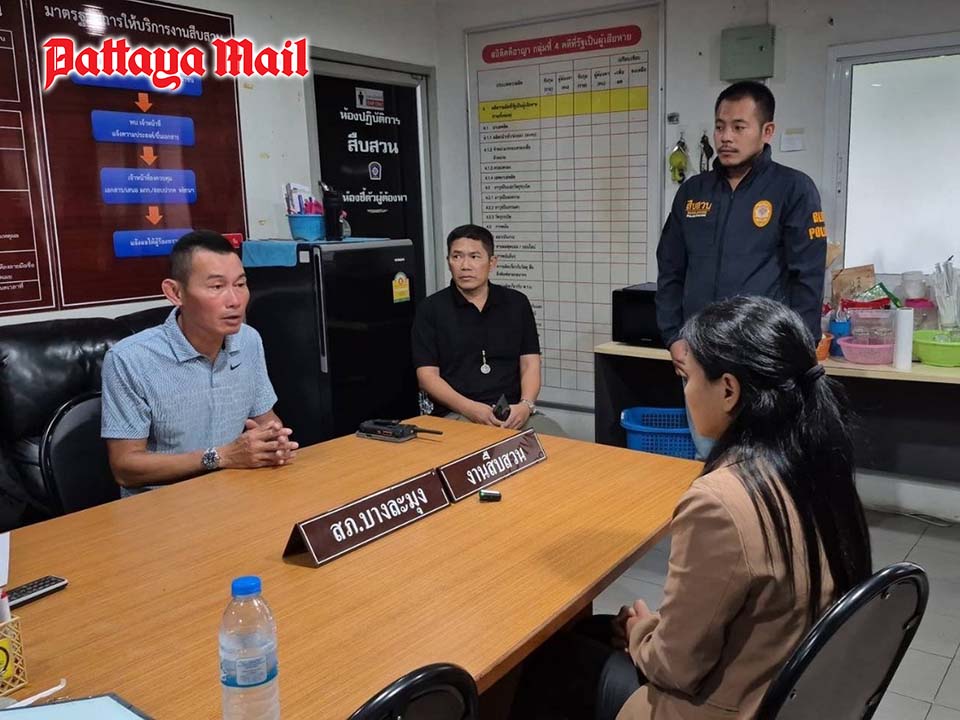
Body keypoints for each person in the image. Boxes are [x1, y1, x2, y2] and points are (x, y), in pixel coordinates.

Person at [510, 296, 872, 720]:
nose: (684, 392)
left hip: (727, 707)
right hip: (790, 687)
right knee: (589, 631)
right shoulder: (817, 463)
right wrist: (651, 631)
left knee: (548, 663)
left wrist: (641, 631)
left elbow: (675, 669)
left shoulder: (720, 501)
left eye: (687, 378)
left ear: (728, 390)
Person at [656, 81, 827, 458]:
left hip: (763, 358)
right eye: (720, 126)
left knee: (768, 461)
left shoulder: (793, 189)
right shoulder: (693, 193)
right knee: (709, 456)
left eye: (738, 126)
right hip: (702, 355)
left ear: (767, 131)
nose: (726, 137)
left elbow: (808, 277)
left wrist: (800, 352)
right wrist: (673, 337)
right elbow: (670, 271)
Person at [101, 230, 297, 496]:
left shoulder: (248, 340)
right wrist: (221, 456)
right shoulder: (130, 359)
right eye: (217, 287)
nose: (234, 301)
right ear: (175, 293)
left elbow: (266, 419)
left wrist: (274, 442)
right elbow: (125, 467)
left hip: (234, 493)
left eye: (240, 284)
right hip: (162, 506)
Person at [411, 224, 565, 436]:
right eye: (457, 257)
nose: (465, 265)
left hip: (512, 412)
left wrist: (526, 405)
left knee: (562, 446)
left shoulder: (517, 303)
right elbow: (427, 377)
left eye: (475, 257)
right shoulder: (431, 309)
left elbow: (530, 362)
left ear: (492, 262)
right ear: (448, 262)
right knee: (484, 450)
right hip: (457, 413)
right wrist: (470, 409)